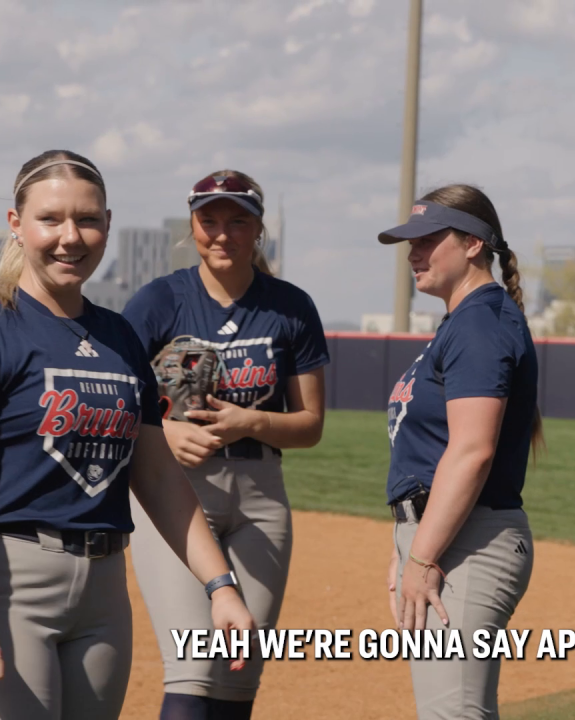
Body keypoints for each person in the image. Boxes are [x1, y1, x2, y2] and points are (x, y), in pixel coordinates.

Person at [0, 150, 256, 720]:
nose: (70, 237)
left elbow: (158, 476)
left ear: (108, 225)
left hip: (102, 594)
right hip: (2, 581)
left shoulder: (118, 337)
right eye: (50, 219)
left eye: (87, 219)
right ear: (16, 223)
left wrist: (219, 585)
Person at [122, 170, 329, 720]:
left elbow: (310, 424)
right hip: (176, 492)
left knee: (237, 679)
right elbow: (116, 397)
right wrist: (166, 431)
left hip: (262, 499)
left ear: (258, 229)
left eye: (237, 221)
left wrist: (250, 421)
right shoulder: (160, 300)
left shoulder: (290, 306)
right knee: (194, 668)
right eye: (208, 220)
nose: (222, 233)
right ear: (191, 226)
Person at [376, 184, 541, 719]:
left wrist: (422, 556)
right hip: (448, 538)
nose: (413, 253)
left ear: (473, 244)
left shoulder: (480, 324)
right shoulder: (464, 322)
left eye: (427, 239)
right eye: (411, 243)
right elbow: (429, 454)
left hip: (468, 544)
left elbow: (471, 452)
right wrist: (407, 544)